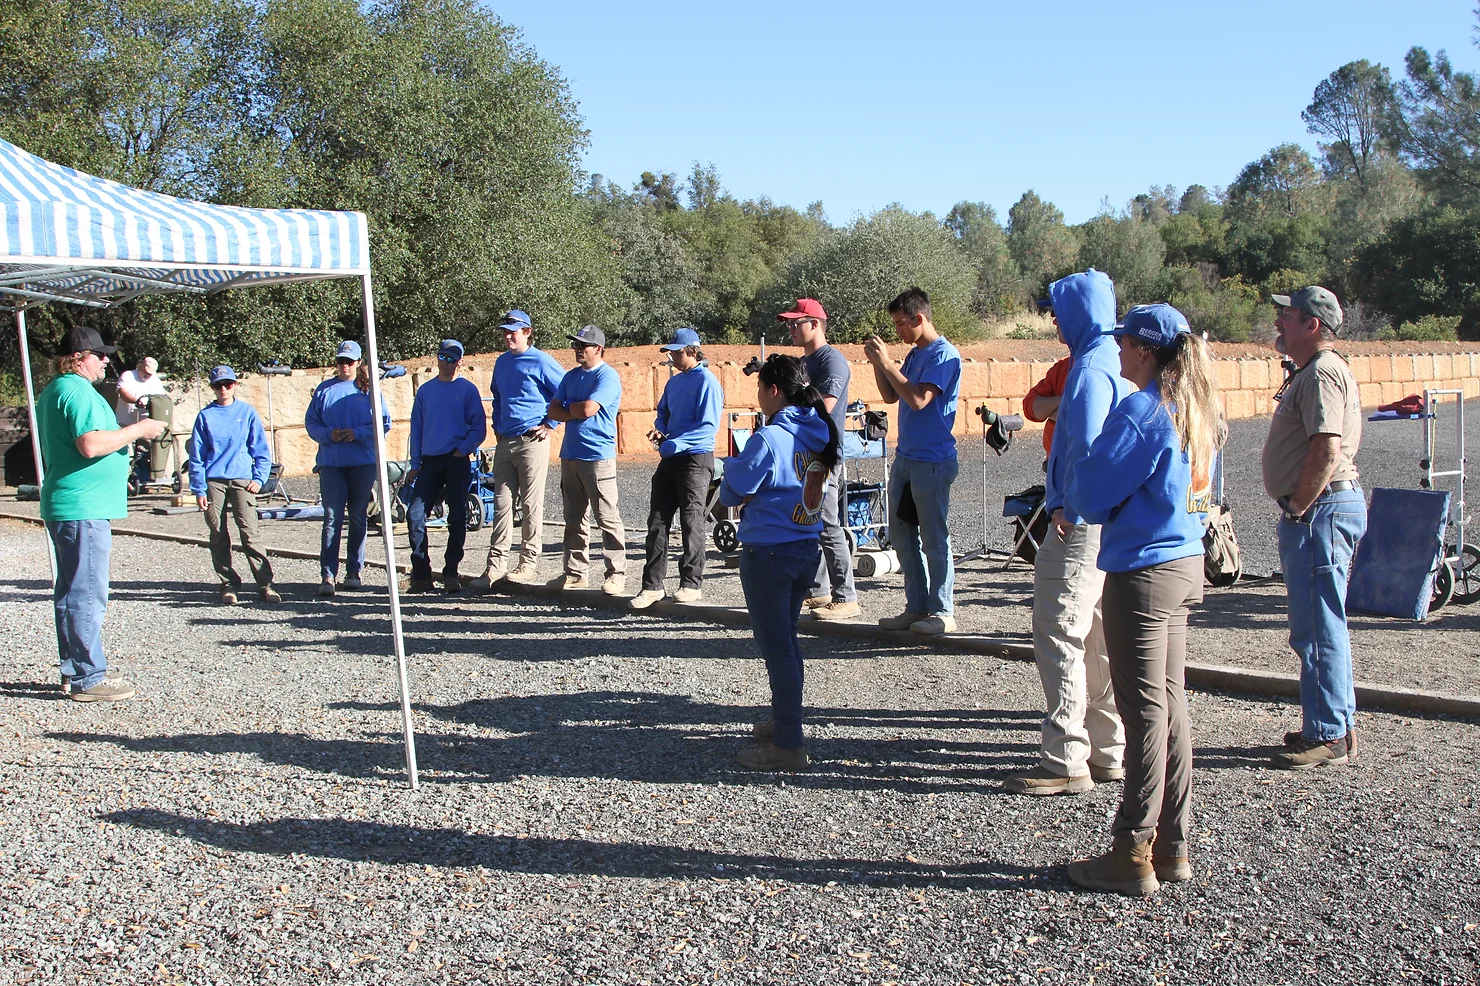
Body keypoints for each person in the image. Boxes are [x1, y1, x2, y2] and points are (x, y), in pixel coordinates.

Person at [1062, 303, 1220, 896]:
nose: (1120, 351)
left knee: (1145, 713)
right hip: (1183, 563)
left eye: (1126, 343)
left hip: (1144, 572)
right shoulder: (1194, 408)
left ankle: (1132, 847)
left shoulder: (1142, 411)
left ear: (1146, 352)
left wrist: (1081, 466)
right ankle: (1172, 845)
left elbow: (1090, 493)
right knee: (1170, 707)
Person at [1007, 270, 1130, 797]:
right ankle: (1107, 748)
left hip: (1078, 523)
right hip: (1106, 521)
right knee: (1097, 636)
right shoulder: (1115, 359)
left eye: (1058, 312)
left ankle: (1065, 758)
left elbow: (1084, 447)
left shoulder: (1088, 371)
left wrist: (1068, 508)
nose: (1054, 321)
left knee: (1059, 632)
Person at [720, 354, 839, 771]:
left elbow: (733, 492)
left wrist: (735, 471)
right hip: (805, 548)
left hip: (768, 552)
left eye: (759, 388)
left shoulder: (770, 438)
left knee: (778, 649)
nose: (757, 396)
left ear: (773, 391)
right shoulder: (819, 432)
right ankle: (785, 720)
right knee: (787, 642)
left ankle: (788, 744)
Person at [1262, 286, 1365, 769]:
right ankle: (1330, 725)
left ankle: (1328, 733)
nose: (1279, 322)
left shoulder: (1322, 372)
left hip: (1319, 511)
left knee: (1318, 628)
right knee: (1320, 625)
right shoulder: (1318, 369)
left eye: (1288, 315)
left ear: (1313, 325)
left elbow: (1326, 447)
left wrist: (1298, 507)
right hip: (1321, 509)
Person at [36, 325, 167, 702]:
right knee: (86, 593)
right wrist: (138, 430)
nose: (106, 360)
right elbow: (90, 444)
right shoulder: (76, 392)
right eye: (100, 354)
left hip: (72, 503)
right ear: (78, 358)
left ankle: (75, 669)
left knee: (71, 592)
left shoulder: (57, 390)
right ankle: (87, 678)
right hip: (84, 506)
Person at [864, 287, 962, 635]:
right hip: (906, 459)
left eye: (901, 323)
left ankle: (942, 612)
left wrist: (888, 363)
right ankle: (917, 607)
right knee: (902, 536)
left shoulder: (944, 355)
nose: (898, 331)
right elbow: (892, 395)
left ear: (919, 318)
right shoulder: (915, 353)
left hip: (932, 461)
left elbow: (919, 400)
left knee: (934, 539)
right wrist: (879, 365)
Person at [630, 328, 723, 610]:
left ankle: (691, 584)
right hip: (670, 457)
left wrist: (676, 443)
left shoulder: (708, 382)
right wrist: (660, 431)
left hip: (695, 459)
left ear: (693, 351)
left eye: (677, 352)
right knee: (657, 520)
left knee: (691, 519)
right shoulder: (674, 383)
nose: (672, 357)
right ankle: (652, 586)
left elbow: (707, 427)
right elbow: (664, 414)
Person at [779, 298, 859, 622]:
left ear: (814, 324)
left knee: (826, 523)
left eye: (795, 323)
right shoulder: (805, 362)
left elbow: (822, 408)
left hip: (824, 456)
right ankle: (819, 591)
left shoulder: (832, 362)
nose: (790, 329)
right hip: (807, 454)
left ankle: (846, 597)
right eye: (788, 324)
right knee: (810, 522)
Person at [472, 309, 565, 588]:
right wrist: (497, 426)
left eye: (513, 332)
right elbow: (497, 397)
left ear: (527, 332)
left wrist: (550, 424)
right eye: (505, 332)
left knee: (530, 504)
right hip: (505, 442)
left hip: (531, 441)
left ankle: (528, 563)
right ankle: (495, 567)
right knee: (501, 504)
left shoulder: (541, 361)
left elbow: (565, 392)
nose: (508, 337)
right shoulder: (502, 363)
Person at [305, 340, 391, 597]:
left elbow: (384, 423)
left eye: (349, 361)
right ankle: (328, 574)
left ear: (358, 362)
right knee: (332, 518)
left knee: (358, 516)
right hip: (332, 464)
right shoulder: (324, 390)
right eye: (341, 361)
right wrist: (329, 434)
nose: (345, 365)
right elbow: (311, 423)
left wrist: (358, 433)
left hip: (362, 462)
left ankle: (354, 571)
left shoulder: (369, 390)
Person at [188, 365, 279, 604]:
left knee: (249, 532)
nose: (224, 389)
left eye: (228, 384)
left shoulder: (247, 412)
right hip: (214, 480)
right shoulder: (205, 416)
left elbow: (260, 449)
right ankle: (228, 583)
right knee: (217, 533)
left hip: (242, 479)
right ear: (212, 388)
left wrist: (259, 478)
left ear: (235, 385)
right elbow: (197, 456)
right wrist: (198, 488)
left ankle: (265, 583)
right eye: (218, 385)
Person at [547, 324, 627, 594]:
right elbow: (553, 411)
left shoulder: (608, 377)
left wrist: (570, 408)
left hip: (597, 457)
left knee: (607, 517)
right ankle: (575, 573)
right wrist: (575, 409)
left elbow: (589, 409)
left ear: (599, 348)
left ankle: (616, 573)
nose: (577, 349)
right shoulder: (570, 377)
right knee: (573, 519)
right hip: (570, 455)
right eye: (576, 344)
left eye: (583, 345)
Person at [405, 339, 487, 593]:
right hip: (429, 461)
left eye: (451, 359)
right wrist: (415, 463)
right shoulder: (426, 391)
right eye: (442, 357)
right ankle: (421, 573)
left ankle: (451, 571)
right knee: (415, 514)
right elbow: (417, 428)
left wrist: (463, 449)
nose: (445, 362)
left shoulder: (467, 390)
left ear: (459, 362)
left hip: (456, 460)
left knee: (457, 517)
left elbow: (479, 428)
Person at [114, 355, 166, 427]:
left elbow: (160, 400)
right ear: (141, 366)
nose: (148, 375)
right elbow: (122, 393)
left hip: (145, 425)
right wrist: (136, 402)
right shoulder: (128, 375)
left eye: (150, 374)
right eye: (146, 371)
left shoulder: (156, 381)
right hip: (125, 423)